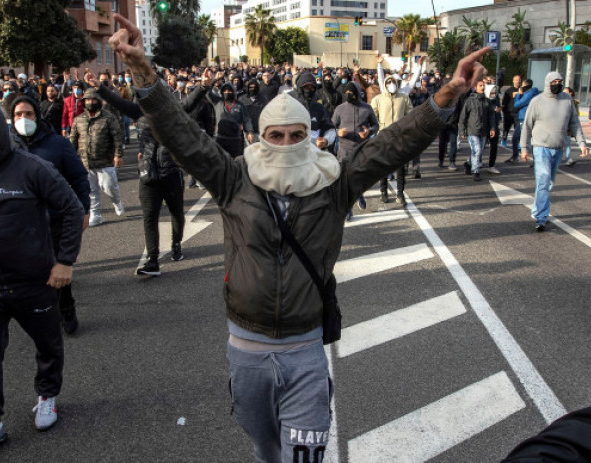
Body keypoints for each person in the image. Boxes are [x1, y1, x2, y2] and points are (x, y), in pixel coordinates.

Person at [109, 13, 490, 462]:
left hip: (307, 351)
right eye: (276, 135)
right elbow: (179, 131)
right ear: (260, 137)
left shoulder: (335, 185)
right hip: (245, 350)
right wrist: (141, 69)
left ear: (309, 137)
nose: (287, 144)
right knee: (266, 451)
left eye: (296, 135)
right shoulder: (233, 178)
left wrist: (450, 92)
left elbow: (393, 144)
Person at [0, 98, 84, 461]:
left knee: (49, 345)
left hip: (33, 282)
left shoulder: (32, 168)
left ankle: (47, 396)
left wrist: (65, 262)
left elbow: (71, 209)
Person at [10, 94, 91, 334]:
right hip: (20, 223)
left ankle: (66, 309)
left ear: (37, 115)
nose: (23, 119)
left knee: (59, 270)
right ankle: (42, 314)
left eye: (28, 114)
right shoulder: (5, 145)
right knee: (32, 274)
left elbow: (78, 177)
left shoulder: (57, 144)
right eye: (18, 115)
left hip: (54, 220)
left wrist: (84, 209)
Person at [520, 71, 588, 231]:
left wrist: (582, 143)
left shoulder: (567, 100)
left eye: (560, 81)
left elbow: (575, 123)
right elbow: (527, 126)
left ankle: (537, 210)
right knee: (543, 180)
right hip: (541, 147)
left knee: (548, 182)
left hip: (558, 148)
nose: (558, 83)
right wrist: (524, 148)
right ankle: (541, 218)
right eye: (555, 81)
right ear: (548, 82)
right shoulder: (537, 101)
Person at [134, 115, 186, 276]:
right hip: (149, 176)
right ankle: (153, 260)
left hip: (171, 174)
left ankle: (176, 244)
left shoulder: (173, 118)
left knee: (176, 212)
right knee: (149, 217)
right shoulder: (142, 119)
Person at [69, 88, 125, 227]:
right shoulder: (79, 120)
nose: (90, 102)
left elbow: (117, 137)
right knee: (91, 190)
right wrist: (70, 158)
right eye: (87, 100)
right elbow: (72, 140)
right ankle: (96, 214)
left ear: (99, 101)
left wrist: (118, 155)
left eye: (93, 99)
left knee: (108, 186)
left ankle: (117, 201)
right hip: (85, 162)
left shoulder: (108, 118)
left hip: (105, 160)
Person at [332, 80, 378, 219]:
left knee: (359, 178)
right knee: (345, 180)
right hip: (344, 149)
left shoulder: (367, 108)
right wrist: (337, 131)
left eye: (351, 93)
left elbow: (375, 125)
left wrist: (368, 132)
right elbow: (331, 126)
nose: (348, 95)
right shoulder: (340, 109)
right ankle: (348, 208)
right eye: (346, 93)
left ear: (358, 94)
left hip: (361, 149)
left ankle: (359, 194)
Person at [371, 74, 413, 204]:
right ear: (385, 84)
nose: (391, 84)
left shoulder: (404, 98)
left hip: (399, 136)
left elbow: (410, 115)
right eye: (388, 82)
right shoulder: (378, 99)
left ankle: (400, 194)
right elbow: (372, 116)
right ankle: (383, 192)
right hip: (383, 135)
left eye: (393, 82)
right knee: (383, 166)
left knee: (400, 167)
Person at [459, 80, 495, 181]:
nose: (482, 87)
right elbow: (463, 116)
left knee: (478, 151)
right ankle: (476, 171)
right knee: (477, 150)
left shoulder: (487, 101)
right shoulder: (469, 101)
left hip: (483, 130)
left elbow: (491, 115)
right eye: (480, 85)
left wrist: (492, 128)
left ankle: (468, 163)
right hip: (472, 130)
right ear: (475, 87)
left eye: (483, 85)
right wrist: (462, 130)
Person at [507, 79, 540, 163]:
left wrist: (518, 95)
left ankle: (517, 157)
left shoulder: (530, 94)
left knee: (517, 138)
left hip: (525, 119)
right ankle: (533, 159)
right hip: (525, 118)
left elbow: (517, 104)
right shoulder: (533, 93)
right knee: (529, 139)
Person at [501, 75, 521, 148]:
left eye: (519, 80)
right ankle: (504, 139)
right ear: (513, 81)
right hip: (509, 113)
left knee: (518, 129)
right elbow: (504, 103)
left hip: (518, 113)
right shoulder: (508, 91)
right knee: (506, 128)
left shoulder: (522, 90)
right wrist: (504, 112)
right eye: (516, 80)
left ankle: (517, 142)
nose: (518, 81)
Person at [563, 87, 580, 166]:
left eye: (566, 92)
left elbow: (576, 116)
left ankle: (568, 158)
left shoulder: (574, 103)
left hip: (568, 128)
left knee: (567, 144)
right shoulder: (560, 101)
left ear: (571, 93)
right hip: (559, 127)